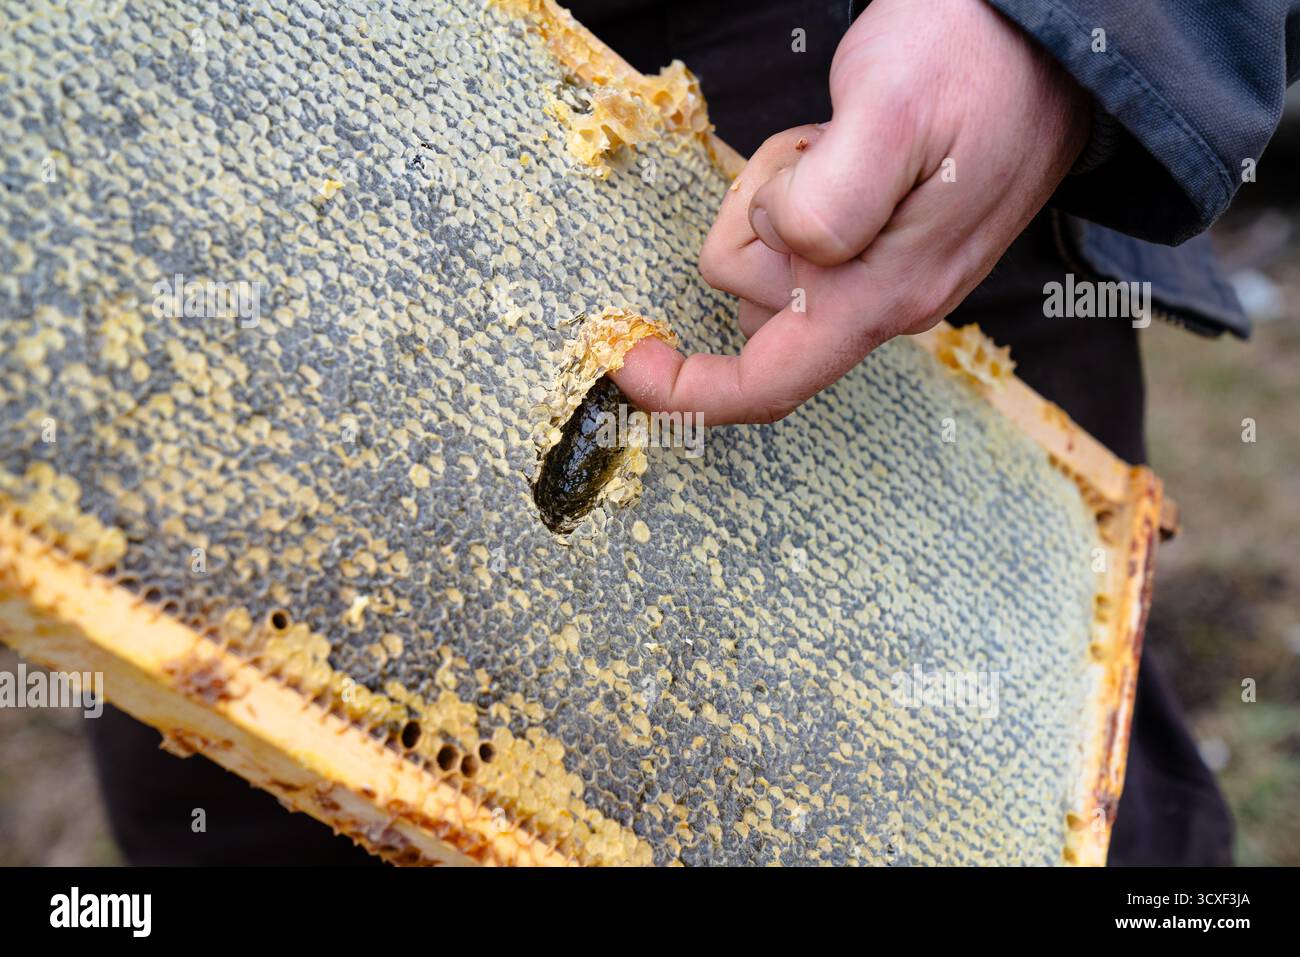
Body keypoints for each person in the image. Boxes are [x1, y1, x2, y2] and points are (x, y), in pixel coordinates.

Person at [90, 0, 1297, 865]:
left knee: (968, 769)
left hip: (851, 143)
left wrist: (1078, 26)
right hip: (218, 192)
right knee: (285, 784)